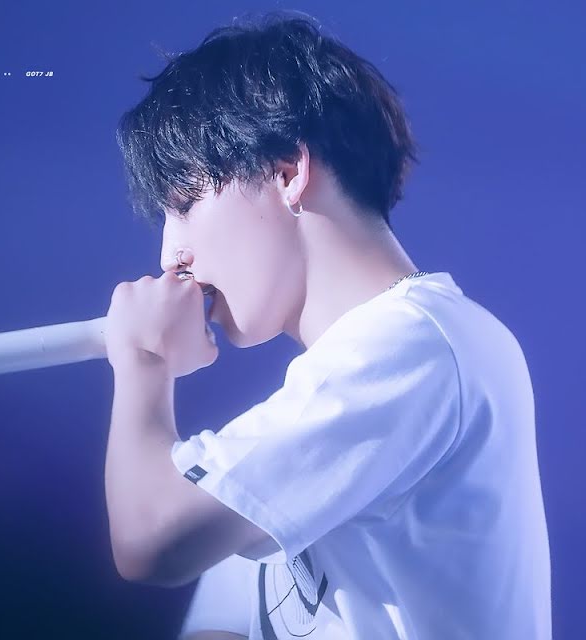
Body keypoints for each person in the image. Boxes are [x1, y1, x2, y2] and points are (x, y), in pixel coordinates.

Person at [103, 12, 552, 640]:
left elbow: (150, 538)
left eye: (184, 203)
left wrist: (144, 363)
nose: (168, 255)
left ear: (288, 173)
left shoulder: (423, 341)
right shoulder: (311, 407)